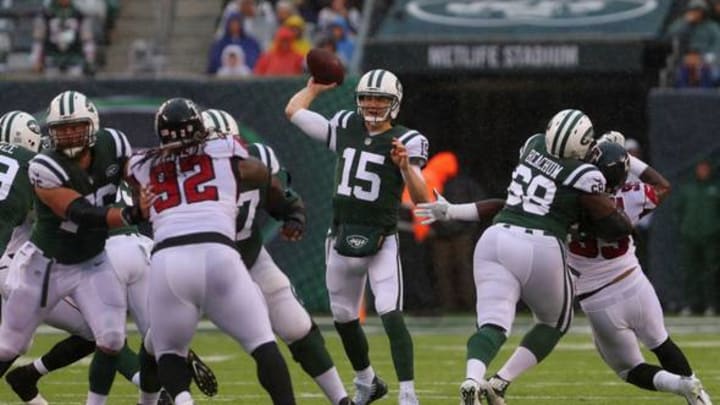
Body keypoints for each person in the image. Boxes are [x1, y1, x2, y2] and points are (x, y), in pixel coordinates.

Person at [414, 109, 634, 405]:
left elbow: (508, 203)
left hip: (495, 238)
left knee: (492, 324)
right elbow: (617, 226)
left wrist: (452, 210)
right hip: (540, 245)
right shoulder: (587, 175)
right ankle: (501, 381)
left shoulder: (533, 145)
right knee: (554, 322)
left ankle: (472, 378)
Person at [127, 98, 298, 405]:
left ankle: (182, 400)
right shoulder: (224, 148)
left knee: (168, 352)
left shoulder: (142, 164)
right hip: (219, 253)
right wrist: (284, 203)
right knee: (262, 344)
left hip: (169, 260)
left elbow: (138, 207)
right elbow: (259, 173)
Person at [285, 69, 429, 405]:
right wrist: (312, 89)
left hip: (382, 237)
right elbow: (293, 112)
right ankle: (366, 381)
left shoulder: (406, 139)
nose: (373, 104)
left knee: (390, 312)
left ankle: (408, 393)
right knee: (343, 316)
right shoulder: (346, 125)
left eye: (381, 99)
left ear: (395, 103)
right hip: (341, 233)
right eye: (367, 97)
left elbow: (423, 200)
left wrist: (406, 167)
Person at [0, 91, 146, 399]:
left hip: (18, 263)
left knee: (12, 343)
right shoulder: (38, 166)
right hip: (21, 265)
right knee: (97, 329)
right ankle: (154, 387)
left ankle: (26, 380)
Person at [566, 141, 713, 405]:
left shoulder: (568, 200)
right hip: (634, 282)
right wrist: (628, 160)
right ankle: (697, 395)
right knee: (662, 343)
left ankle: (684, 385)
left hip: (598, 298)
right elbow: (663, 185)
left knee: (629, 370)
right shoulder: (631, 196)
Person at [676, 158, 720, 316]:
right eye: (700, 168)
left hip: (711, 238)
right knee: (690, 272)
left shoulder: (716, 188)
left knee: (711, 272)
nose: (703, 171)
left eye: (705, 168)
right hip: (690, 237)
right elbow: (678, 211)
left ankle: (712, 304)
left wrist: (715, 228)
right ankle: (690, 304)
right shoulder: (688, 189)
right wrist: (684, 228)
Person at [31, 0, 96, 77]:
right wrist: (36, 61)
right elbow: (38, 41)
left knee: (75, 84)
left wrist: (89, 60)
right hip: (52, 58)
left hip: (74, 58)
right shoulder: (45, 14)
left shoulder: (79, 14)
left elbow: (87, 40)